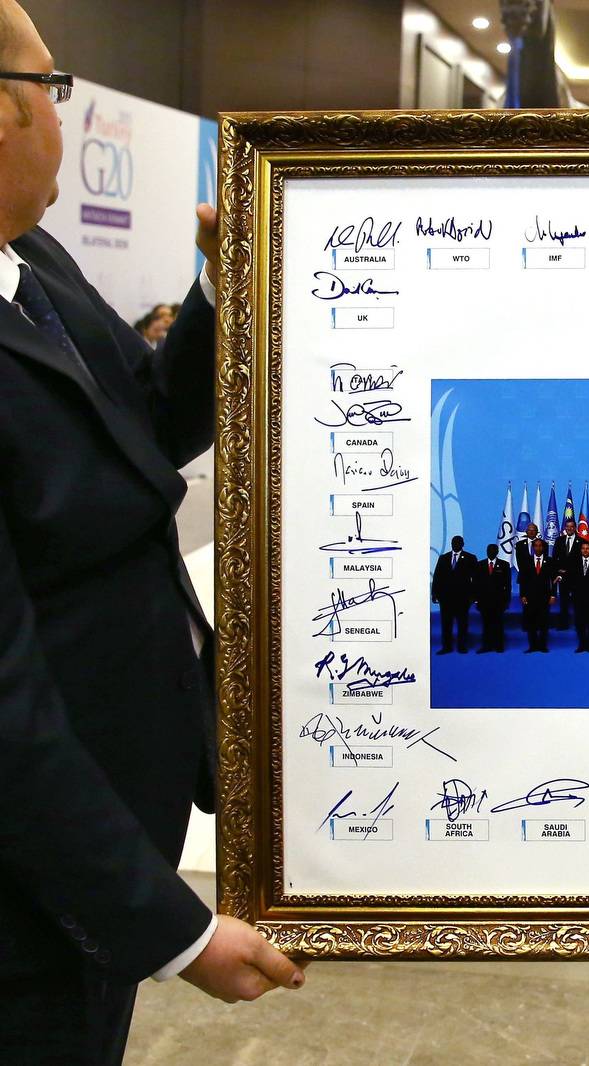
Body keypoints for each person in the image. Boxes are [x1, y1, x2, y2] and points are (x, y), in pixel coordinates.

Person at [0, 4, 303, 1056]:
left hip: (98, 849)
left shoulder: (34, 264)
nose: (64, 113)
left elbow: (149, 422)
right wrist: (174, 931)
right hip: (33, 898)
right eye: (52, 86)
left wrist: (224, 282)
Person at [431, 535, 477, 654]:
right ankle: (446, 647)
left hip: (463, 598)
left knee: (462, 623)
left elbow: (476, 579)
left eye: (457, 542)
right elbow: (437, 577)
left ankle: (462, 646)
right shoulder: (443, 558)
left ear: (462, 544)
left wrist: (473, 596)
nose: (455, 544)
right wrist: (434, 593)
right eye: (453, 542)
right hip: (445, 598)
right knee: (446, 623)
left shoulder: (470, 558)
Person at [518, 538, 556, 652]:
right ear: (533, 547)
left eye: (540, 546)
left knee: (544, 622)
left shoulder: (550, 561)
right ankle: (532, 646)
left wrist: (553, 595)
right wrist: (522, 595)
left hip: (545, 596)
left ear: (543, 547)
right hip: (530, 596)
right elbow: (523, 580)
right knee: (531, 622)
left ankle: (543, 645)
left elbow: (553, 579)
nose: (538, 548)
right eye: (536, 546)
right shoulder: (527, 560)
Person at [474, 543, 512, 653]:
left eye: (493, 550)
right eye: (489, 550)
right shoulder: (480, 565)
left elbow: (508, 585)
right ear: (486, 552)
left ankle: (499, 645)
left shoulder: (504, 565)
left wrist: (507, 601)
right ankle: (486, 646)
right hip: (484, 601)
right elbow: (476, 584)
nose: (490, 552)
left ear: (497, 552)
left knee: (498, 624)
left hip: (499, 601)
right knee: (486, 624)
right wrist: (476, 600)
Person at [553, 518, 582, 631]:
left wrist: (570, 571)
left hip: (576, 577)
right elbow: (555, 558)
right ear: (565, 528)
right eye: (567, 526)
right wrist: (558, 571)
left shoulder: (581, 541)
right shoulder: (559, 540)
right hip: (563, 578)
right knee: (563, 602)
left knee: (577, 602)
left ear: (575, 528)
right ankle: (563, 624)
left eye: (572, 526)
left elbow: (582, 561)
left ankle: (578, 624)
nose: (569, 528)